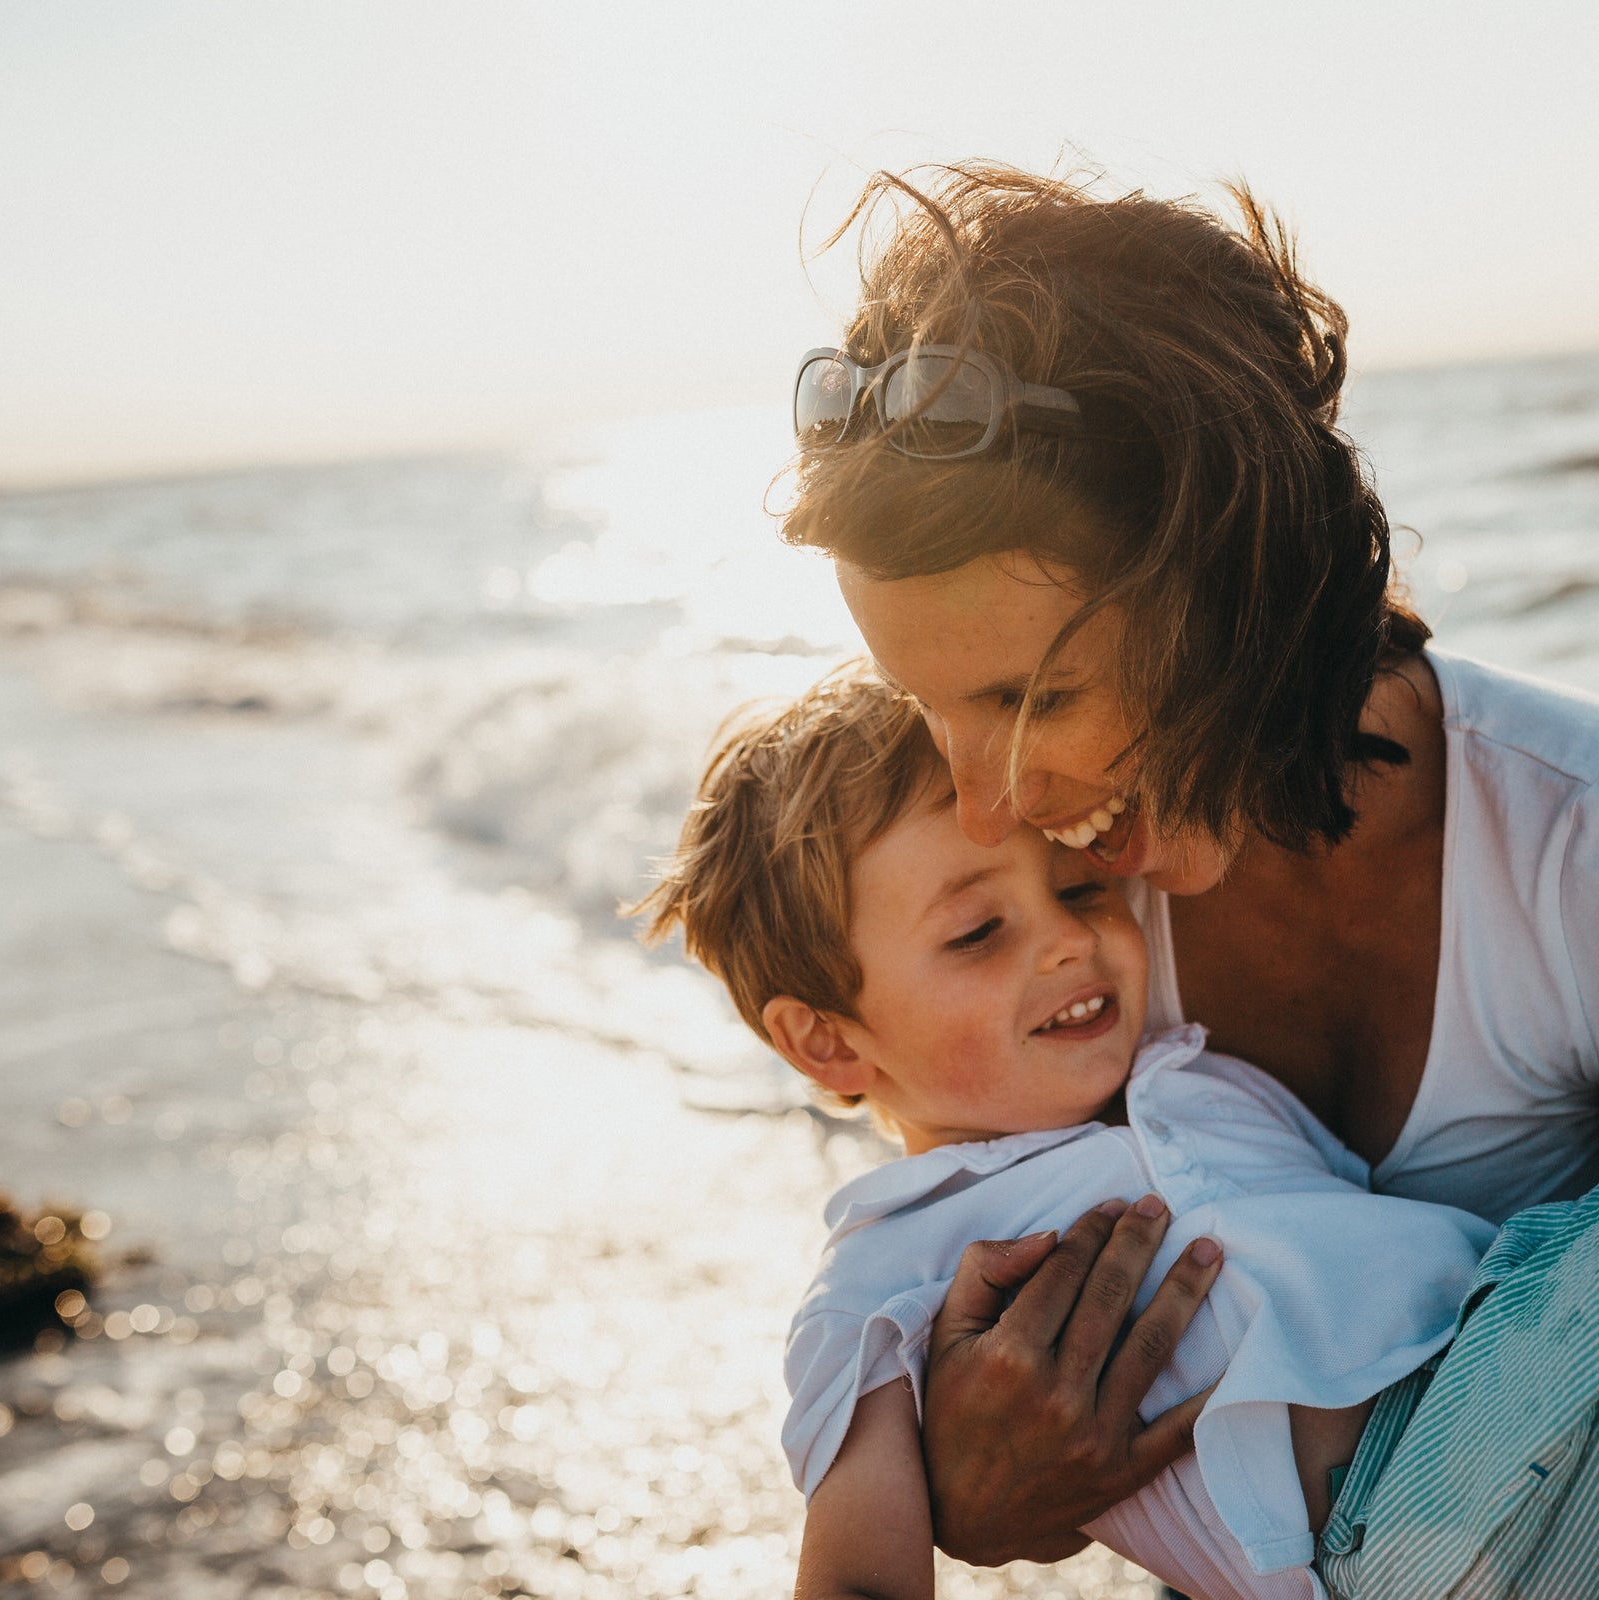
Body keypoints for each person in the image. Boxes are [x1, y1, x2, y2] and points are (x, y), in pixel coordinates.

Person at [777, 164, 1599, 1591]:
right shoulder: (1050, 924)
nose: (989, 800)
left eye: (1034, 697)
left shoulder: (1566, 843)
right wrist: (970, 1481)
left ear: (1236, 590)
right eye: (929, 709)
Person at [635, 665, 1497, 1600]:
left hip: (1524, 1323)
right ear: (827, 1041)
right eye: (977, 933)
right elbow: (857, 1582)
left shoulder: (1205, 1074)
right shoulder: (888, 1273)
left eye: (1082, 888)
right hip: (1424, 1533)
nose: (1067, 940)